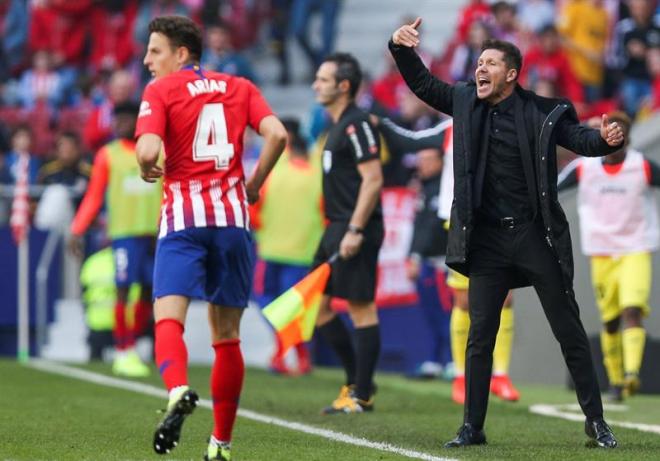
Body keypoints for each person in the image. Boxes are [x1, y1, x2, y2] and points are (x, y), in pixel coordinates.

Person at [390, 18, 624, 448]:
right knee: (481, 335)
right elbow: (423, 85)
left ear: (512, 74)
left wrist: (605, 141)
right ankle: (471, 427)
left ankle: (596, 421)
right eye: (479, 62)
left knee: (568, 328)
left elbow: (578, 138)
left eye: (491, 63)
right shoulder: (464, 100)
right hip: (488, 242)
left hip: (535, 236)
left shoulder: (541, 111)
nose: (480, 68)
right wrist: (401, 48)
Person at [134, 16, 287, 461]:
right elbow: (277, 134)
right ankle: (220, 444)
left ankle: (178, 387)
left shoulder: (161, 90)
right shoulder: (239, 86)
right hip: (232, 222)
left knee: (168, 317)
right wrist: (254, 184)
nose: (147, 60)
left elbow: (146, 149)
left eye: (155, 51)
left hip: (184, 219)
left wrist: (146, 165)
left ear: (181, 54)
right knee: (227, 337)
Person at [558, 111, 660, 401]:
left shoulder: (642, 167)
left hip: (635, 249)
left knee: (632, 309)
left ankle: (632, 374)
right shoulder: (583, 169)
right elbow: (550, 188)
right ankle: (616, 380)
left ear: (627, 139)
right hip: (601, 251)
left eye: (620, 136)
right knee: (611, 319)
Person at [312, 52, 384, 414]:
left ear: (343, 86)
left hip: (356, 227)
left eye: (323, 79)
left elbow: (373, 180)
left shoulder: (358, 124)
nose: (315, 85)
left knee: (361, 308)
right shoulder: (336, 126)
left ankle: (362, 393)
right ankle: (356, 381)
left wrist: (355, 229)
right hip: (335, 227)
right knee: (319, 306)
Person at [70, 102, 160, 378]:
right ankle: (124, 349)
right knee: (123, 289)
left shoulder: (159, 151)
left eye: (125, 119)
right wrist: (77, 228)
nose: (119, 125)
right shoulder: (107, 155)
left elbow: (169, 190)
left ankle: (132, 344)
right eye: (117, 120)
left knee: (148, 292)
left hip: (155, 235)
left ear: (138, 121)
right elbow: (95, 195)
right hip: (124, 234)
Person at [250, 118, 324, 375]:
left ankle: (285, 352)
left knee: (266, 300)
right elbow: (326, 214)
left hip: (271, 249)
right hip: (304, 253)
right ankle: (296, 354)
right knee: (294, 308)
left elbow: (254, 210)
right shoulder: (318, 177)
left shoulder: (271, 172)